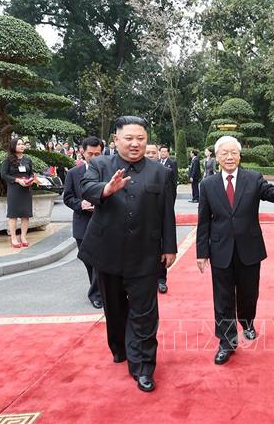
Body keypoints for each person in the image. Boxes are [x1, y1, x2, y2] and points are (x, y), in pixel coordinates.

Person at [79, 116, 177, 392]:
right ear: (116, 140)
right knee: (115, 308)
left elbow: (166, 212)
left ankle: (144, 366)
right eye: (129, 138)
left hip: (146, 254)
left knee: (145, 314)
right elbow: (85, 187)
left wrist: (169, 247)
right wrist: (105, 190)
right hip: (108, 252)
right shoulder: (99, 165)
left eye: (141, 138)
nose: (135, 144)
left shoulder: (160, 172)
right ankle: (119, 346)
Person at [196, 135, 274, 365]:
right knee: (222, 299)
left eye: (233, 153)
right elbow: (203, 221)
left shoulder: (253, 179)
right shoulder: (208, 185)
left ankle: (247, 321)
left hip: (249, 249)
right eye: (224, 153)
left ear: (240, 156)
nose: (229, 157)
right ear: (217, 156)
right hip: (220, 249)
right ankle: (226, 342)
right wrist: (201, 252)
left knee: (248, 294)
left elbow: (273, 197)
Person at [63, 137, 104, 309]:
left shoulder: (109, 171)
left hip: (104, 223)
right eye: (90, 154)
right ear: (82, 152)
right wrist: (81, 204)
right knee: (89, 260)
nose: (94, 157)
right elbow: (68, 197)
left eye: (98, 154)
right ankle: (98, 290)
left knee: (101, 260)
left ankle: (96, 294)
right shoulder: (73, 173)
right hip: (82, 223)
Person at [0, 137, 34, 248]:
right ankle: (14, 238)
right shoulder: (8, 160)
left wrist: (31, 180)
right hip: (14, 189)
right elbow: (4, 175)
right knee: (13, 214)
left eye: (22, 144)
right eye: (19, 144)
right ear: (13, 146)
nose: (21, 146)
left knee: (26, 214)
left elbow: (31, 173)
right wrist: (17, 180)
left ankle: (23, 236)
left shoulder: (28, 160)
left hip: (26, 189)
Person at [157, 145, 178, 294]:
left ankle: (161, 280)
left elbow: (173, 188)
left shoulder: (167, 170)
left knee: (161, 249)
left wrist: (169, 205)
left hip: (160, 217)